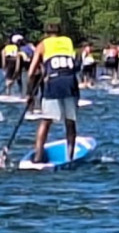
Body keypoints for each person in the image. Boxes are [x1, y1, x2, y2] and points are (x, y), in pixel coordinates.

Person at [27, 21, 80, 164]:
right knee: (70, 121)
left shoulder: (42, 44)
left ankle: (38, 157)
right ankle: (70, 156)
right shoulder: (68, 42)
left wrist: (30, 92)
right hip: (70, 82)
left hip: (53, 82)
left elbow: (31, 72)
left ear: (45, 34)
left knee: (46, 120)